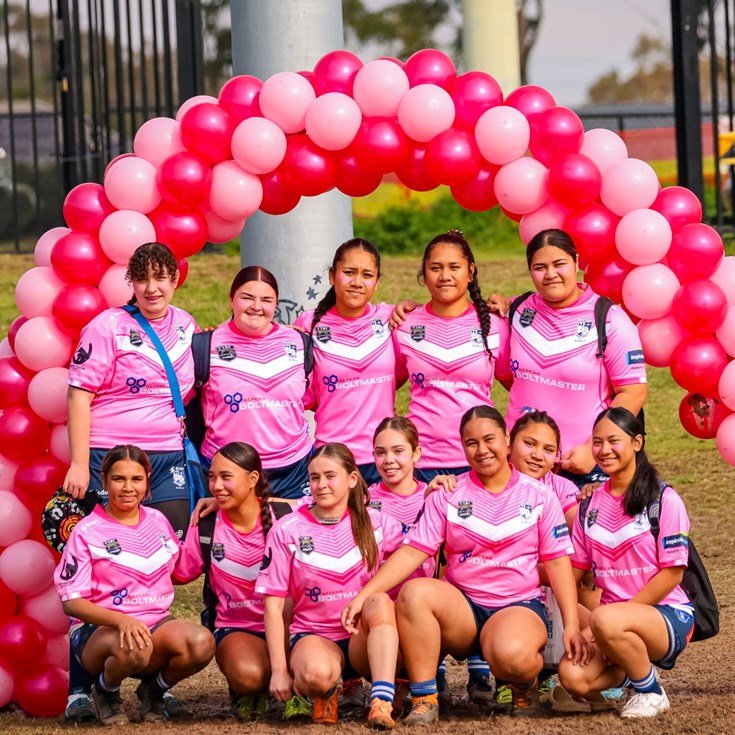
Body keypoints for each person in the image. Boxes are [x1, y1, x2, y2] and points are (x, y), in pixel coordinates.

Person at [342, 405, 587, 723]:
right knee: (415, 592)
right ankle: (425, 697)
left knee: (513, 656)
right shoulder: (450, 493)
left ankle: (524, 688)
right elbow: (411, 552)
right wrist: (364, 595)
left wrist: (571, 624)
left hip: (516, 606)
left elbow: (557, 563)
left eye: (489, 440)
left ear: (507, 439)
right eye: (471, 443)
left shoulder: (541, 496)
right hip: (463, 612)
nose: (482, 450)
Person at [62, 242, 197, 722]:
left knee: (161, 562)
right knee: (101, 568)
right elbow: (79, 394)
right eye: (143, 279)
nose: (153, 287)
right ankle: (85, 687)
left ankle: (151, 681)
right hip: (112, 454)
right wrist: (81, 463)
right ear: (131, 284)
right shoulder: (108, 326)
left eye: (162, 277)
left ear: (175, 280)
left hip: (167, 460)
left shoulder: (187, 326)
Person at [54, 445, 215, 725]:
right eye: (119, 479)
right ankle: (106, 691)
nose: (128, 488)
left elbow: (181, 569)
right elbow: (71, 602)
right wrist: (121, 620)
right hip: (101, 633)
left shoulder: (157, 521)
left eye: (136, 479)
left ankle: (153, 691)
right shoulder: (86, 531)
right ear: (103, 480)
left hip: (156, 625)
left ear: (147, 480)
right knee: (134, 645)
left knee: (202, 642)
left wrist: (211, 519)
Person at [558, 407, 694, 720]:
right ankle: (639, 672)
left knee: (605, 619)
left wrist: (613, 621)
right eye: (597, 442)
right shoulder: (589, 504)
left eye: (614, 441)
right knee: (573, 677)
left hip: (667, 614)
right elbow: (573, 572)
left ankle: (650, 692)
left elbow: (672, 574)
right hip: (613, 623)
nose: (604, 450)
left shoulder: (663, 498)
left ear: (636, 443)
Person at [256, 443, 404, 729]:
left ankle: (381, 701)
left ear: (351, 479)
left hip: (363, 636)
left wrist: (434, 492)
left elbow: (414, 559)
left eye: (330, 476)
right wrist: (279, 670)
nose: (321, 485)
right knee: (314, 675)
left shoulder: (380, 523)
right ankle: (325, 693)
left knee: (380, 601)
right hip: (315, 634)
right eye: (314, 478)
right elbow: (273, 606)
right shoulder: (287, 529)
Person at [504, 228, 647, 488]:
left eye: (560, 264)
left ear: (576, 262)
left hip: (584, 468)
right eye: (540, 267)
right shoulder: (516, 311)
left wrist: (593, 448)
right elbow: (507, 376)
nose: (550, 275)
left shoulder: (609, 318)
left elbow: (633, 392)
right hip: (521, 465)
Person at [393, 230, 512, 483]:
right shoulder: (404, 324)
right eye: (435, 268)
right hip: (420, 463)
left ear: (470, 271)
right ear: (424, 274)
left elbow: (519, 386)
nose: (445, 276)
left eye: (454, 267)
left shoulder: (495, 325)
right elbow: (382, 385)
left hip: (480, 460)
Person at [173, 442, 274, 721]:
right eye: (212, 477)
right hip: (237, 627)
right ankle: (257, 687)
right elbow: (178, 573)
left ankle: (291, 687)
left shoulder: (285, 518)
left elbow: (331, 500)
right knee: (249, 678)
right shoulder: (206, 525)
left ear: (253, 479)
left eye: (226, 477)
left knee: (308, 673)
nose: (216, 485)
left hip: (289, 627)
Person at [199, 266, 312, 498]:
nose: (256, 307)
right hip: (229, 471)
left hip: (294, 470)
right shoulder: (204, 345)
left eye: (266, 300)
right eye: (247, 297)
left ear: (276, 304)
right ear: (232, 299)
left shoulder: (299, 341)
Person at [294, 239, 397, 485]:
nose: (357, 282)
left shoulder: (392, 319)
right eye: (349, 273)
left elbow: (403, 375)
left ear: (377, 282)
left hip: (384, 459)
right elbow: (301, 393)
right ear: (332, 275)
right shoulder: (308, 326)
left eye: (367, 275)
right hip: (332, 459)